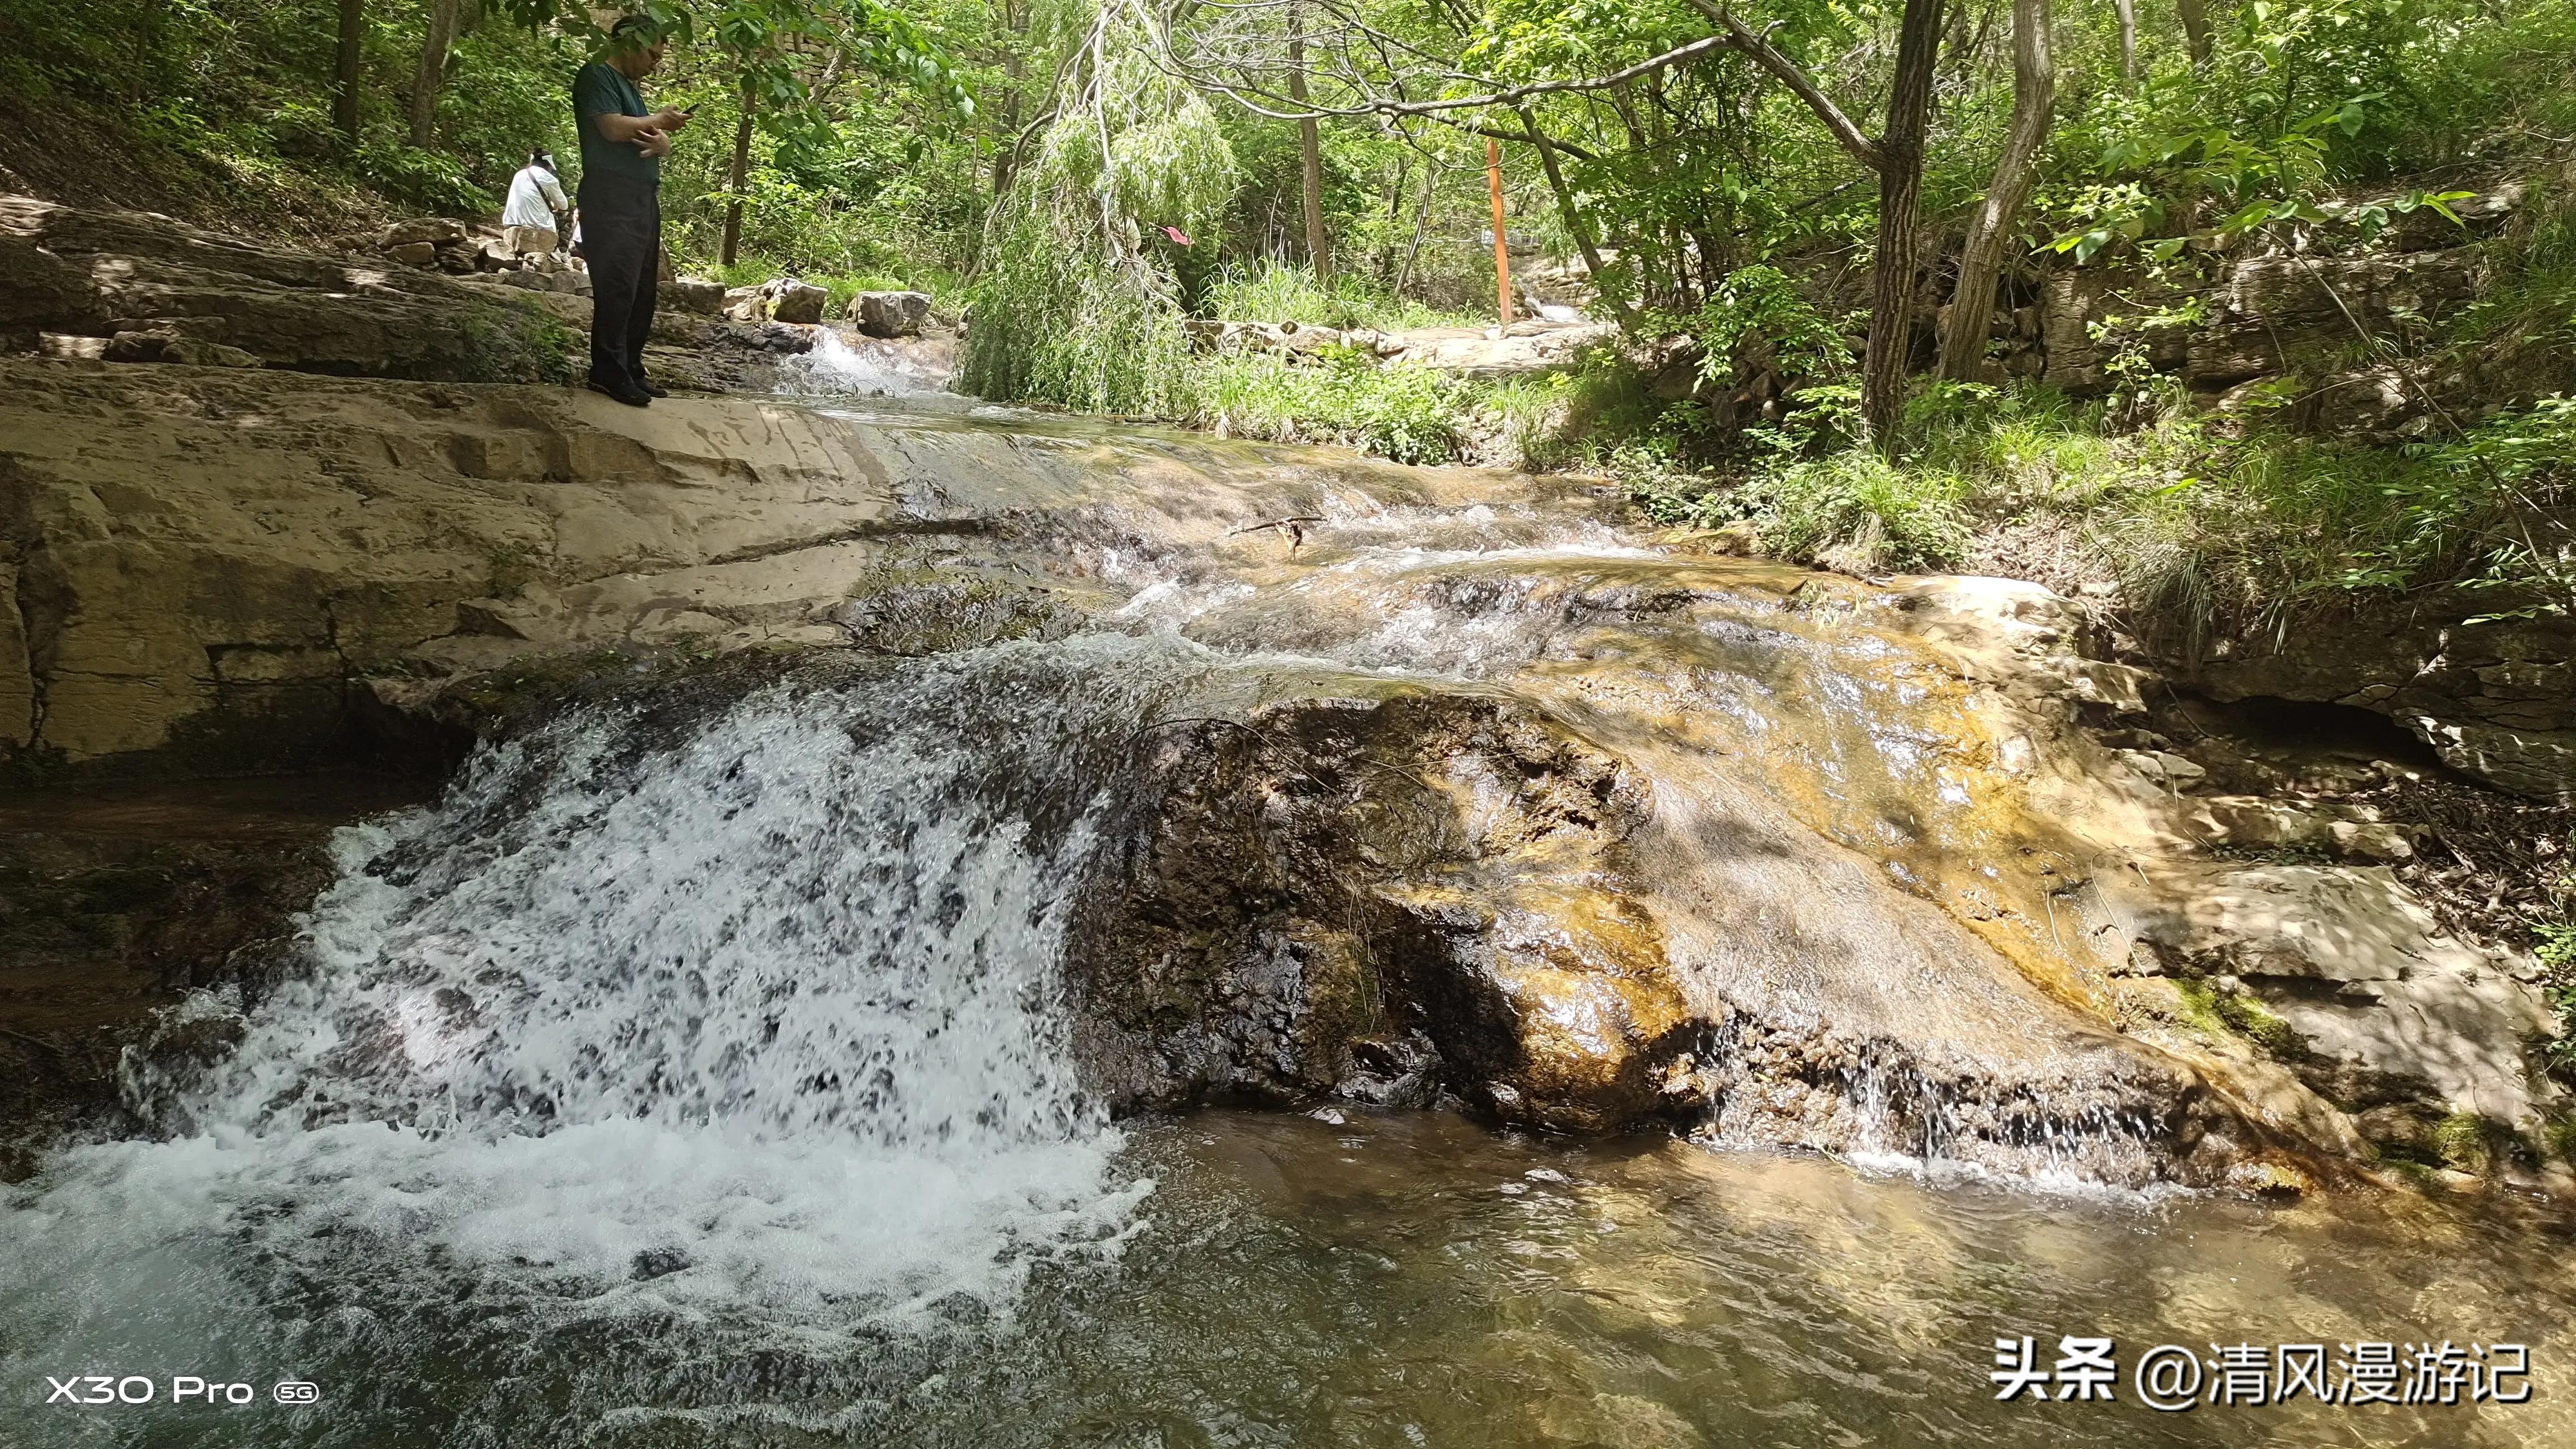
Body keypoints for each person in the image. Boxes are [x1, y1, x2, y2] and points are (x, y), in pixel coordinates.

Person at [571, 16, 690, 406]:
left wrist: (662, 143)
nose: (656, 62)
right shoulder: (597, 75)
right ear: (630, 42)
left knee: (642, 290)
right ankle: (607, 372)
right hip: (610, 197)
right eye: (653, 53)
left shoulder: (630, 88)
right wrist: (659, 120)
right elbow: (610, 128)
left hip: (641, 198)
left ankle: (630, 369)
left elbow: (640, 134)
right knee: (618, 286)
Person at [500, 150, 569, 258]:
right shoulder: (549, 179)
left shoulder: (519, 174)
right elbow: (564, 205)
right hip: (535, 225)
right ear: (548, 166)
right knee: (568, 218)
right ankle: (560, 252)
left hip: (511, 221)